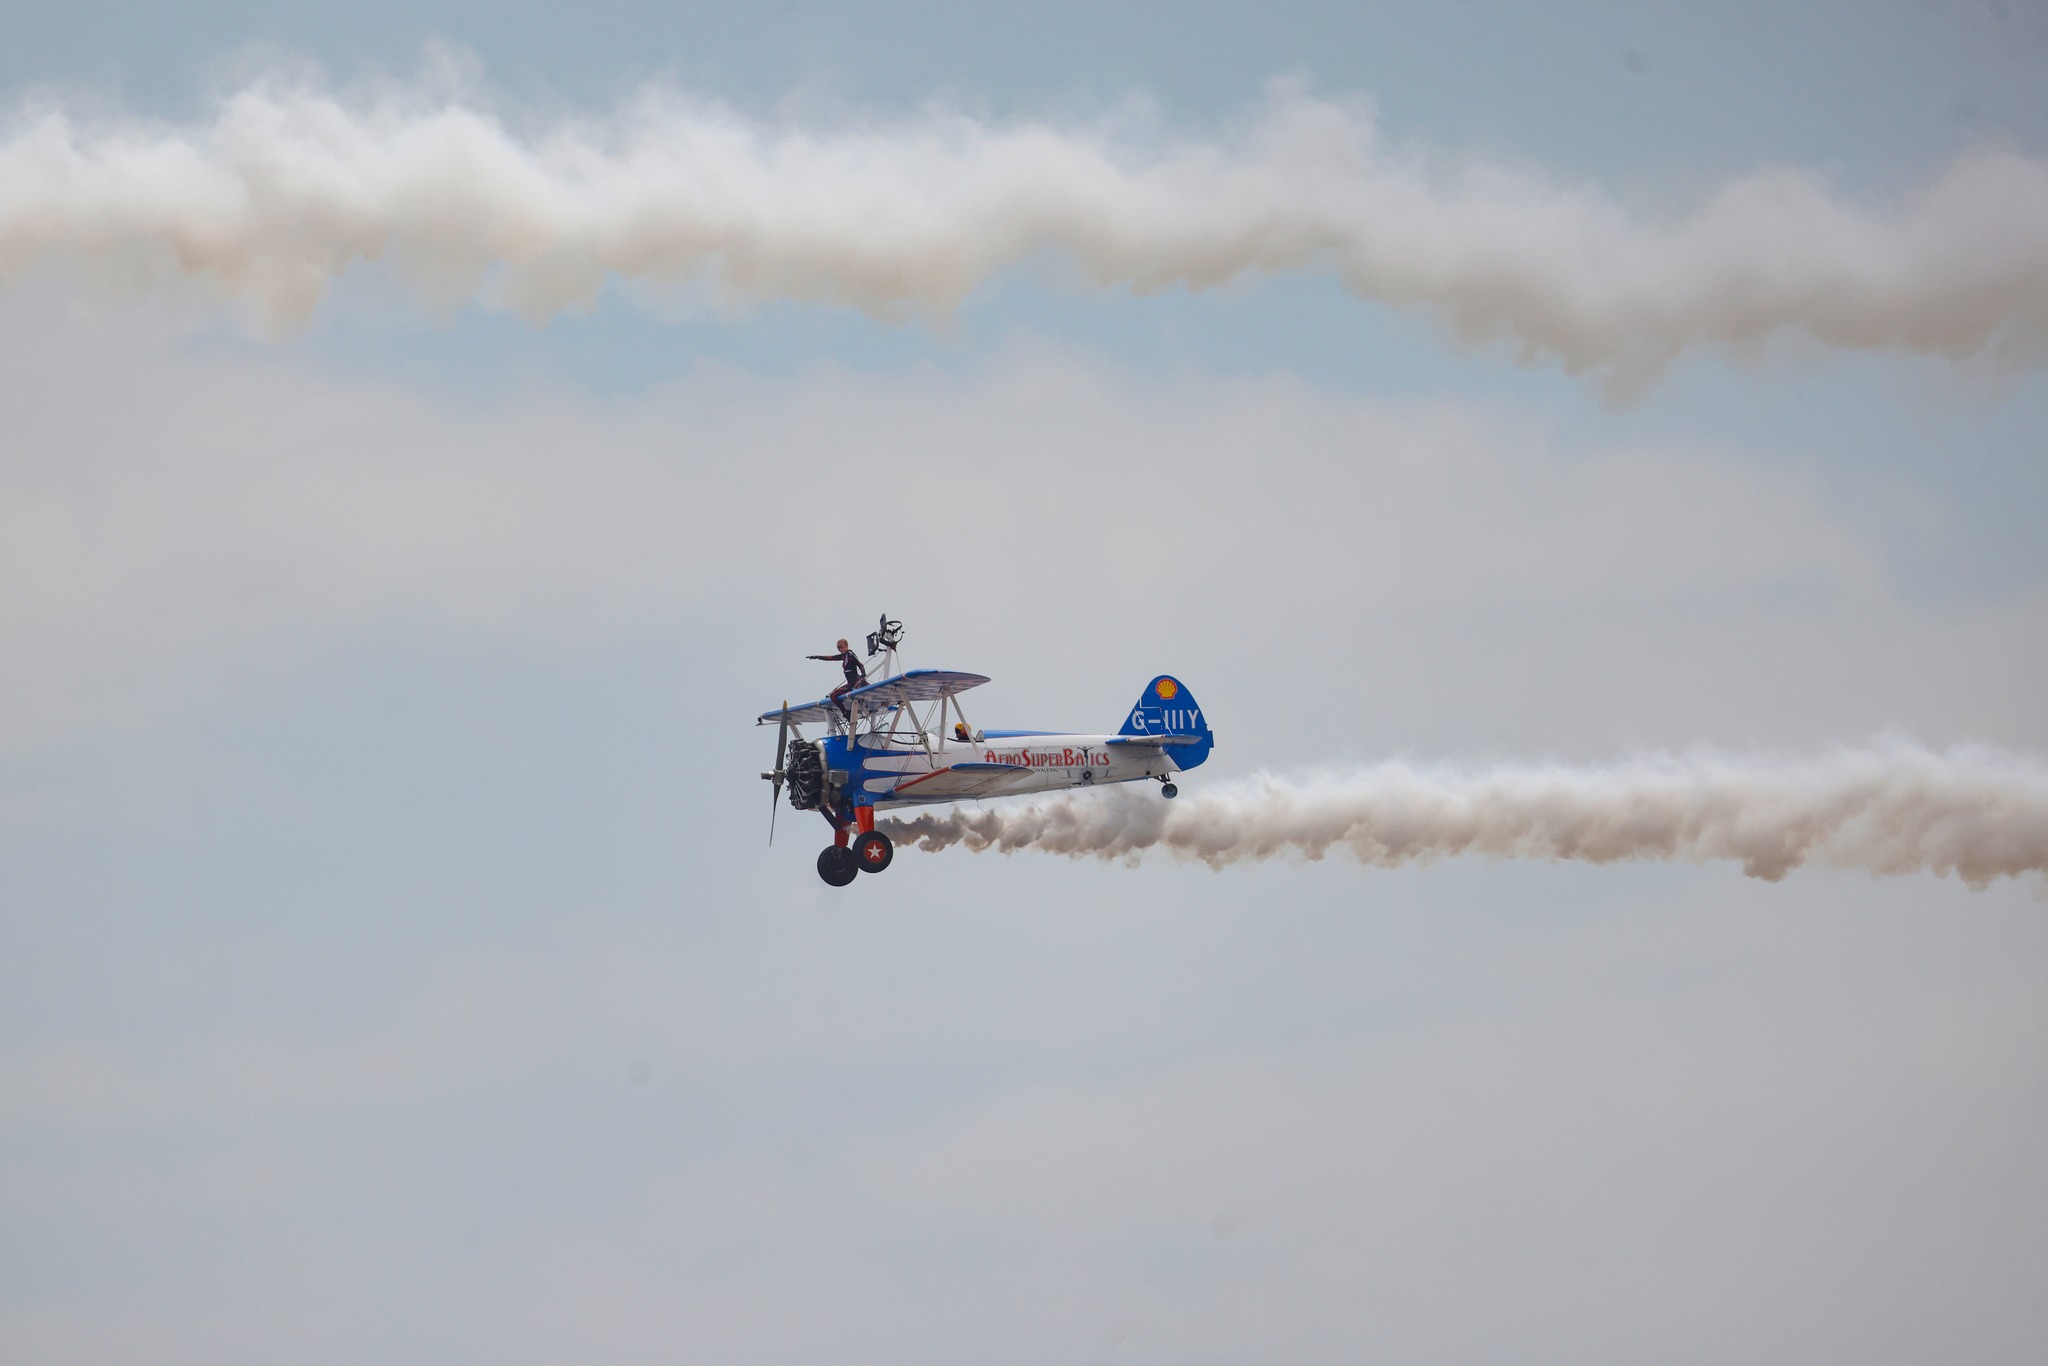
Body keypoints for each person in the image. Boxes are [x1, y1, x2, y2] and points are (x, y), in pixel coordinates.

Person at [808, 638, 868, 717]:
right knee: (833, 696)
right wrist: (817, 657)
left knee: (834, 695)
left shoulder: (850, 655)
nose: (840, 649)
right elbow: (831, 658)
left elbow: (860, 665)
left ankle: (847, 713)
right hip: (850, 683)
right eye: (838, 648)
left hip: (856, 682)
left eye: (842, 647)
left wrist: (863, 673)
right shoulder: (843, 656)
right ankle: (846, 713)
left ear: (846, 646)